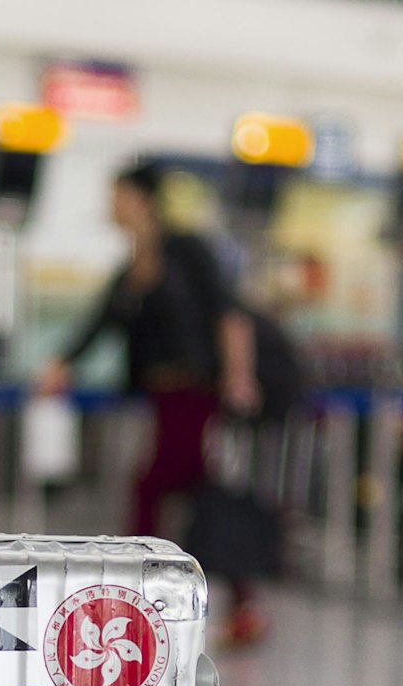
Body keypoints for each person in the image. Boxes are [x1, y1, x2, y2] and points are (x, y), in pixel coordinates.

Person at [38, 160, 259, 636]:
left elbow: (228, 313)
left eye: (117, 194)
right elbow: (98, 322)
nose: (110, 205)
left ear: (140, 199)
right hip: (162, 399)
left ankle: (137, 594)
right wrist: (61, 363)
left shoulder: (188, 251)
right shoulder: (131, 271)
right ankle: (232, 600)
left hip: (197, 393)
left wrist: (239, 375)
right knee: (191, 489)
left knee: (158, 488)